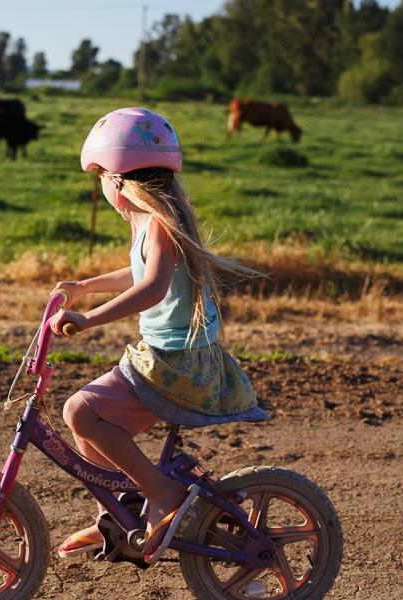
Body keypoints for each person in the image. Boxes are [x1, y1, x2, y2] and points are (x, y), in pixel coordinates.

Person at [48, 107, 269, 564]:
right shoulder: (151, 221)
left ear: (118, 181)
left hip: (175, 363)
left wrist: (89, 319)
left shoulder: (161, 226)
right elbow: (138, 272)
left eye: (102, 177)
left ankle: (161, 493)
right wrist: (84, 287)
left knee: (79, 411)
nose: (103, 188)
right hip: (171, 359)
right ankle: (122, 513)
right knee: (88, 430)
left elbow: (152, 287)